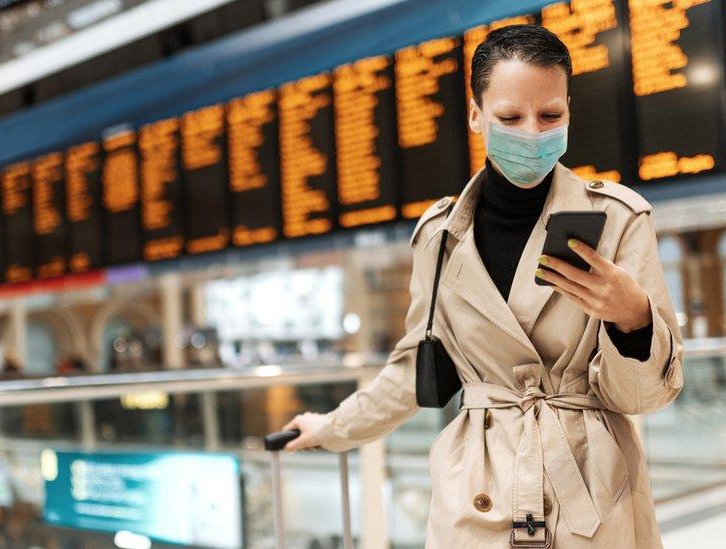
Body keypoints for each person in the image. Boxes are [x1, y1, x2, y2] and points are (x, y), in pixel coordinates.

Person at [282, 24, 684, 547]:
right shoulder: (441, 236)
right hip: (477, 490)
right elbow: (412, 370)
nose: (533, 133)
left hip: (591, 489)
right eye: (511, 117)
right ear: (476, 116)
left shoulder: (618, 217)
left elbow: (642, 398)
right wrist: (331, 428)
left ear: (569, 113)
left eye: (551, 116)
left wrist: (633, 318)